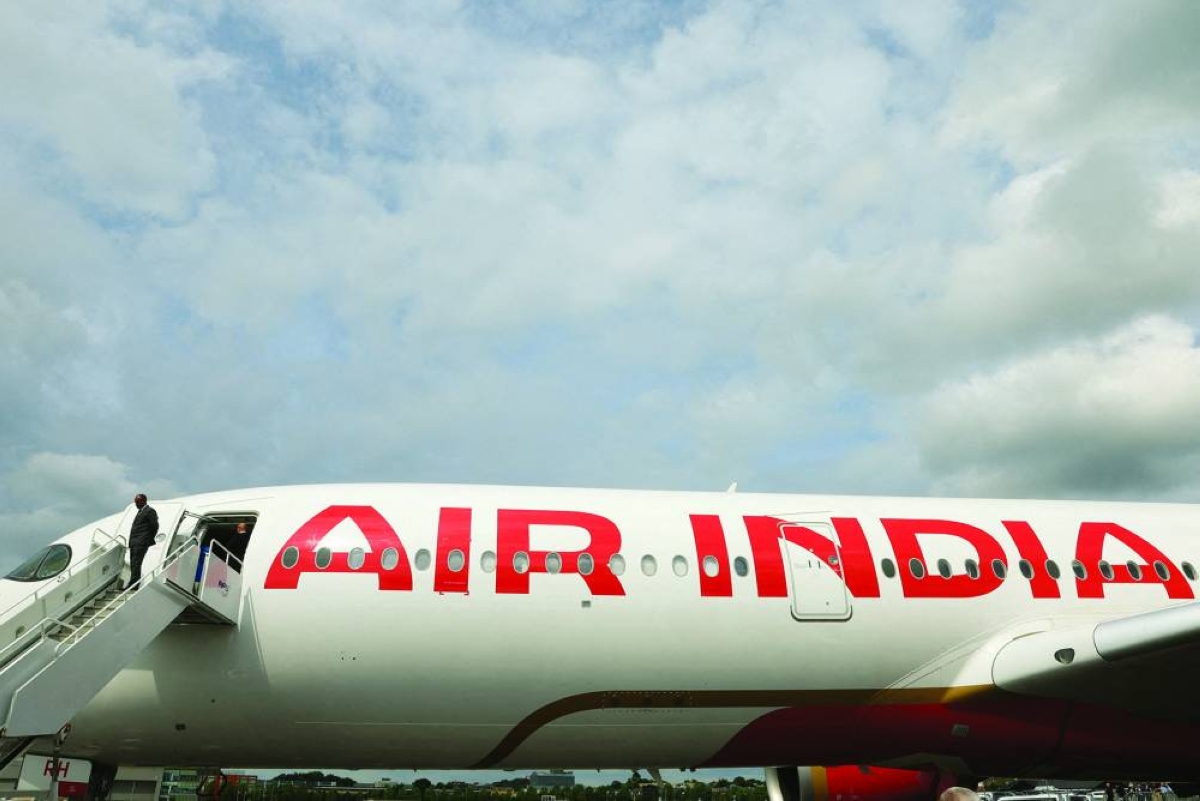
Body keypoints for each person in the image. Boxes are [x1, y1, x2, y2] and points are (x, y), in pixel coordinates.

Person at [127, 493, 159, 590]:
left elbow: (154, 526)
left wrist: (146, 539)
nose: (136, 504)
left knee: (136, 563)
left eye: (138, 501)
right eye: (135, 502)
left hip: (141, 542)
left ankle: (133, 585)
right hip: (134, 542)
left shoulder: (149, 511)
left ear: (144, 501)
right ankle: (132, 583)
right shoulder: (140, 512)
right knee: (133, 564)